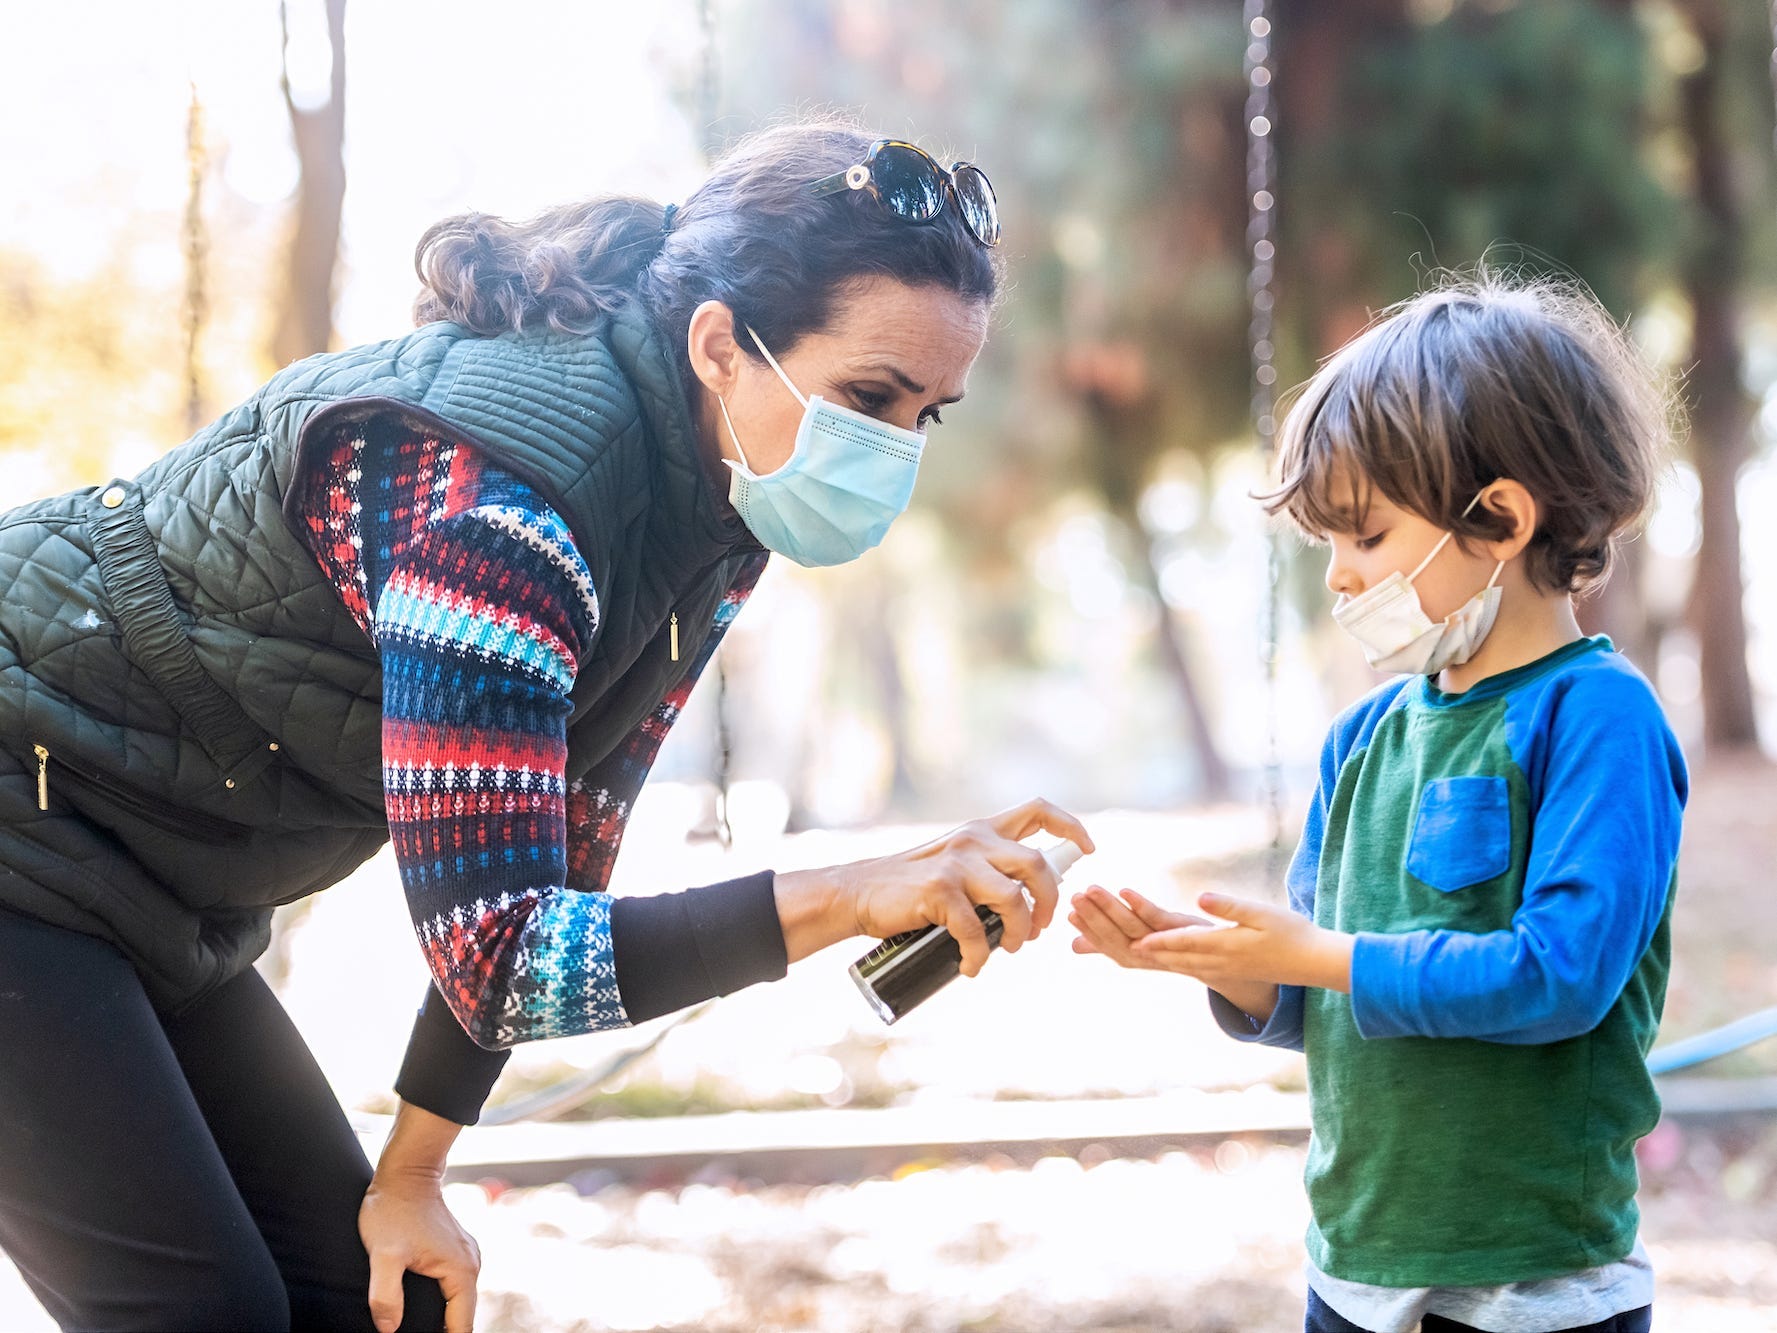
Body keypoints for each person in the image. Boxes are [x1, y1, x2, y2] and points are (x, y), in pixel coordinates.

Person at [0, 119, 1093, 1333]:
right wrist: (857, 890)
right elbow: (508, 954)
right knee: (205, 1317)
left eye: (927, 413)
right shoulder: (501, 509)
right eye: (869, 397)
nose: (893, 451)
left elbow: (560, 851)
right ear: (721, 346)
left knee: (379, 1302)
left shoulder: (717, 506)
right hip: (24, 837)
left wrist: (411, 1177)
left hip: (163, 886)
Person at [1069, 274, 1685, 1333]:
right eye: (1329, 549)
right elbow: (1320, 998)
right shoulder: (1364, 738)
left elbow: (1561, 975)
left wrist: (1325, 956)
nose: (1341, 581)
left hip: (1535, 1288)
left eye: (1365, 538)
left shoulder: (1597, 719)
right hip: (1354, 1269)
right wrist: (1235, 965)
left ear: (1495, 518)